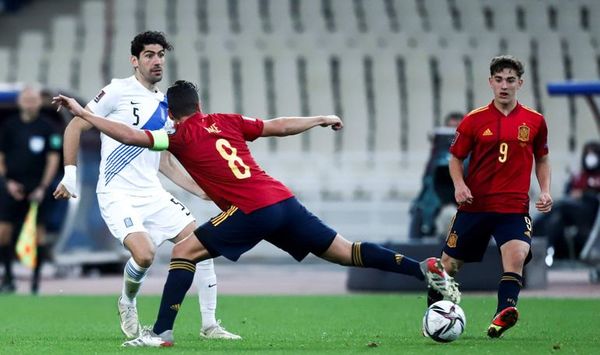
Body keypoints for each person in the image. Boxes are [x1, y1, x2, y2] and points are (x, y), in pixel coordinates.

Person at [53, 79, 461, 347]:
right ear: (201, 104)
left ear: (172, 112)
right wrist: (319, 118)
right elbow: (278, 125)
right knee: (345, 250)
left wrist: (85, 113)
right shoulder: (227, 121)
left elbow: (127, 134)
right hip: (283, 201)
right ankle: (423, 269)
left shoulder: (176, 133)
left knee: (184, 253)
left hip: (249, 209)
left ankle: (159, 333)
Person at [52, 31, 239, 340]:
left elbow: (164, 160)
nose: (157, 61)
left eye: (160, 55)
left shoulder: (164, 105)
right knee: (145, 254)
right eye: (149, 55)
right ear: (134, 60)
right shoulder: (116, 91)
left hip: (153, 194)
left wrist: (200, 190)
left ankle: (209, 325)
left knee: (201, 245)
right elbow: (76, 124)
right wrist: (70, 175)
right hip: (117, 193)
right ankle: (127, 300)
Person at [427, 55, 553, 338]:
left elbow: (542, 158)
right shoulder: (474, 120)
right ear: (490, 83)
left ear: (520, 83)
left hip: (514, 207)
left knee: (517, 255)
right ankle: (433, 316)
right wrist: (459, 185)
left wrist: (545, 190)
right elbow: (455, 158)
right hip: (475, 206)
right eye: (498, 80)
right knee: (447, 266)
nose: (504, 86)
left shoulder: (535, 121)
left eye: (510, 80)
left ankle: (502, 314)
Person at [0, 85, 61, 294]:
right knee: (3, 233)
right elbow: (1, 157)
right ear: (19, 102)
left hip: (37, 189)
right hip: (12, 187)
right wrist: (8, 181)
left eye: (33, 99)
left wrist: (42, 187)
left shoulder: (47, 128)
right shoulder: (9, 126)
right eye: (26, 99)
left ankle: (35, 283)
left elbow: (53, 159)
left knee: (38, 235)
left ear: (39, 102)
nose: (29, 103)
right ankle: (8, 278)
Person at [538, 141, 600, 262]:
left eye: (594, 154)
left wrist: (583, 193)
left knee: (559, 206)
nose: (590, 157)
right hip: (571, 211)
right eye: (588, 153)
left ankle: (531, 226)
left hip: (591, 212)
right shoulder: (578, 176)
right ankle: (549, 253)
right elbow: (568, 193)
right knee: (556, 219)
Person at [409, 112, 463, 239]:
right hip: (436, 200)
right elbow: (428, 182)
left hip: (464, 196)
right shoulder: (436, 157)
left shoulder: (473, 157)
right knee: (420, 210)